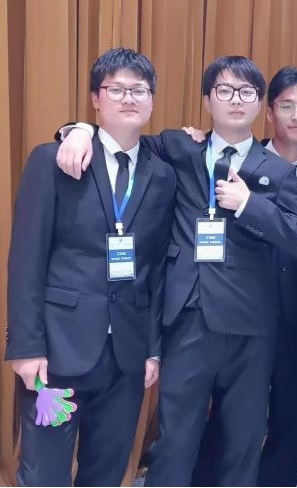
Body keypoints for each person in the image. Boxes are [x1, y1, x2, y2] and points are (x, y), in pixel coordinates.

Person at [55, 55, 297, 486]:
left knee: (242, 442)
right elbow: (121, 138)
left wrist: (250, 205)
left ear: (259, 105)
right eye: (225, 90)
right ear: (208, 100)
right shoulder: (179, 148)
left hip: (252, 327)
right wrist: (79, 129)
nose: (236, 100)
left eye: (247, 92)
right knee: (175, 441)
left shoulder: (276, 170)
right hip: (189, 319)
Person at [5, 47, 176, 486]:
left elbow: (156, 270)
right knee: (44, 475)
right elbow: (26, 258)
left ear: (152, 101)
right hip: (56, 355)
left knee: (106, 473)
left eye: (139, 90)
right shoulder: (55, 160)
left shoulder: (161, 176)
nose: (129, 98)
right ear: (96, 99)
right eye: (116, 89)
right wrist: (25, 346)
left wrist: (153, 348)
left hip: (126, 358)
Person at [190, 66, 297, 487]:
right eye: (286, 106)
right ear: (269, 111)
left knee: (291, 415)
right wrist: (76, 129)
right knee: (225, 418)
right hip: (238, 312)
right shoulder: (230, 157)